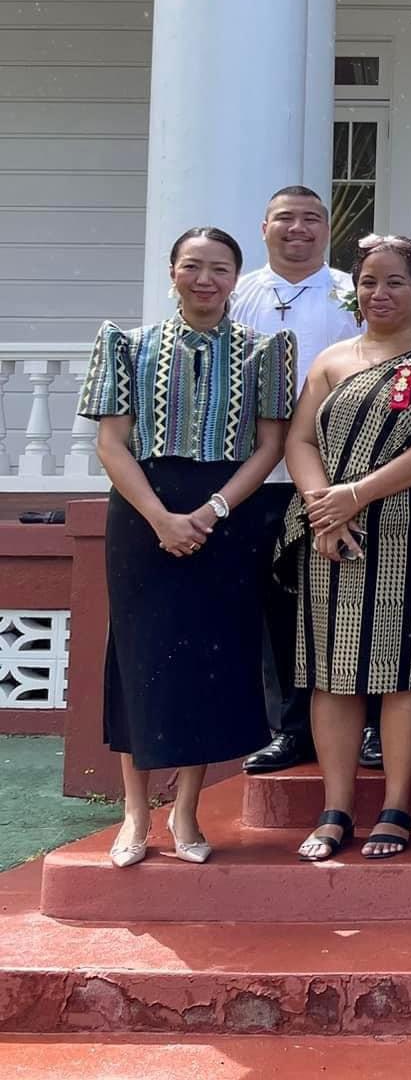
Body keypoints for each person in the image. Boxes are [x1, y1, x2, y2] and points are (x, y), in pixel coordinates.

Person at [82, 227, 294, 868]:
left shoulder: (266, 350)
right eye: (193, 266)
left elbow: (270, 446)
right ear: (172, 271)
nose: (206, 279)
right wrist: (160, 518)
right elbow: (112, 443)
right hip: (144, 508)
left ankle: (187, 810)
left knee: (213, 656)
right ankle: (134, 812)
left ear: (237, 276)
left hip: (227, 511)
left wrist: (210, 511)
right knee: (139, 655)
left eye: (220, 268)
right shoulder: (128, 344)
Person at [285, 235, 411, 863]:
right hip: (330, 535)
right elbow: (300, 442)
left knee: (404, 669)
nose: (381, 293)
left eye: (395, 281)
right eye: (370, 282)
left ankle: (396, 804)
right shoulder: (330, 360)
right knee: (333, 671)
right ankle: (336, 807)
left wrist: (357, 495)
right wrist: (325, 507)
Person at [228, 187, 360, 778]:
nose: (298, 229)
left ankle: (369, 724)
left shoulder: (349, 293)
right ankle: (290, 728)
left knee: (349, 603)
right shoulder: (238, 292)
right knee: (277, 608)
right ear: (264, 227)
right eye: (286, 218)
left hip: (338, 475)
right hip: (260, 477)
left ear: (326, 229)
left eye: (311, 219)